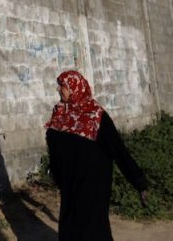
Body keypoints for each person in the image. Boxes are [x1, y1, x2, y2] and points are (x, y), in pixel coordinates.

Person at [45, 70, 148, 241]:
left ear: (74, 88)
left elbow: (118, 149)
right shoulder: (60, 114)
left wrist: (139, 182)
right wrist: (57, 175)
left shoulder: (96, 116)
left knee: (94, 227)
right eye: (60, 86)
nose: (58, 90)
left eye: (62, 86)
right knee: (70, 226)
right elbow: (53, 148)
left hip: (94, 184)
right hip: (70, 184)